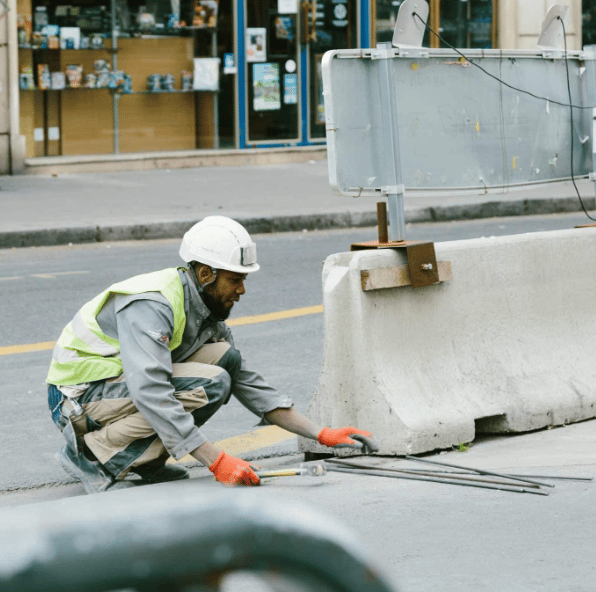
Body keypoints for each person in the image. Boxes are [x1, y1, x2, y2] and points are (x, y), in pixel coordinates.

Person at [47, 216, 376, 493]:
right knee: (212, 382)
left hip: (111, 391)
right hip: (76, 399)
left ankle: (144, 461)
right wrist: (216, 461)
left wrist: (321, 434)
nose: (242, 290)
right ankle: (95, 458)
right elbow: (150, 390)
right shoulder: (153, 303)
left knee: (225, 360)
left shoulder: (205, 310)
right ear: (206, 274)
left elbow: (250, 384)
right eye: (235, 280)